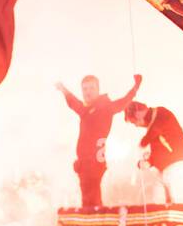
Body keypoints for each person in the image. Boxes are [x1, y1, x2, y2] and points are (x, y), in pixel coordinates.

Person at [56, 74, 143, 207]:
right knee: (89, 198)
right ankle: (94, 222)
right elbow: (74, 103)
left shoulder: (105, 107)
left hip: (94, 161)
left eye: (91, 88)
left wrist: (136, 87)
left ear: (98, 90)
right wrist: (64, 90)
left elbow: (123, 102)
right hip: (85, 163)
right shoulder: (85, 110)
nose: (88, 92)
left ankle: (96, 223)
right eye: (84, 89)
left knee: (92, 198)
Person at [124, 101, 183, 202]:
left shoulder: (161, 113)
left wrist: (142, 143)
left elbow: (155, 129)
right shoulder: (152, 128)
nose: (137, 126)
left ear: (138, 114)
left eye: (135, 122)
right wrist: (148, 162)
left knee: (182, 203)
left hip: (181, 167)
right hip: (170, 176)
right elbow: (158, 153)